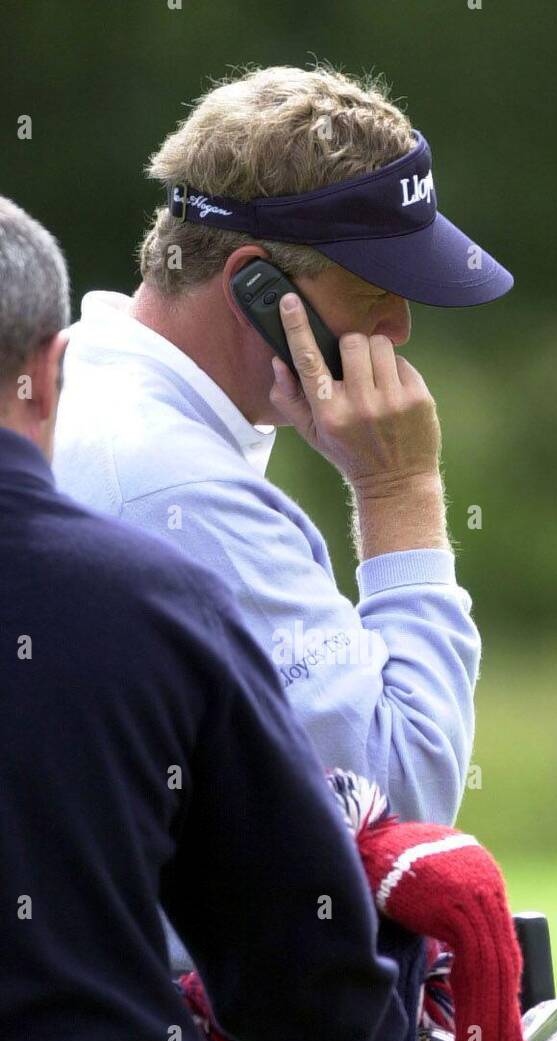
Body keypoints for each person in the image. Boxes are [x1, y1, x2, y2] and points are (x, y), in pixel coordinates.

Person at [0, 196, 468, 1041]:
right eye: (377, 296)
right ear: (51, 368)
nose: (397, 329)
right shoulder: (153, 592)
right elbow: (290, 874)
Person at [53, 63, 513, 973]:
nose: (402, 327)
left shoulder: (80, 388)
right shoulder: (174, 492)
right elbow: (393, 807)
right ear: (258, 286)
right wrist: (400, 494)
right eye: (375, 288)